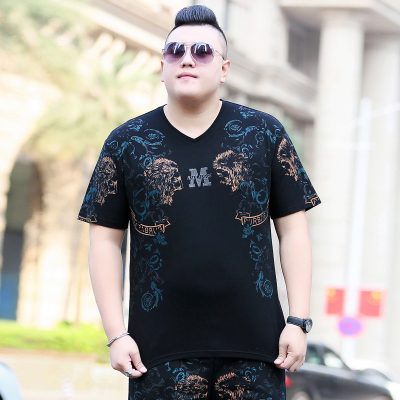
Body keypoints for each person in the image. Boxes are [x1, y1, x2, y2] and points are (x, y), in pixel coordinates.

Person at [77, 4, 321, 399]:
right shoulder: (126, 143)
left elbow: (293, 231)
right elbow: (104, 241)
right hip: (157, 354)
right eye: (176, 51)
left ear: (224, 68)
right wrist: (116, 334)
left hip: (257, 349)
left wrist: (298, 320)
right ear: (162, 66)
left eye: (203, 51)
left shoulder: (264, 134)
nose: (187, 59)